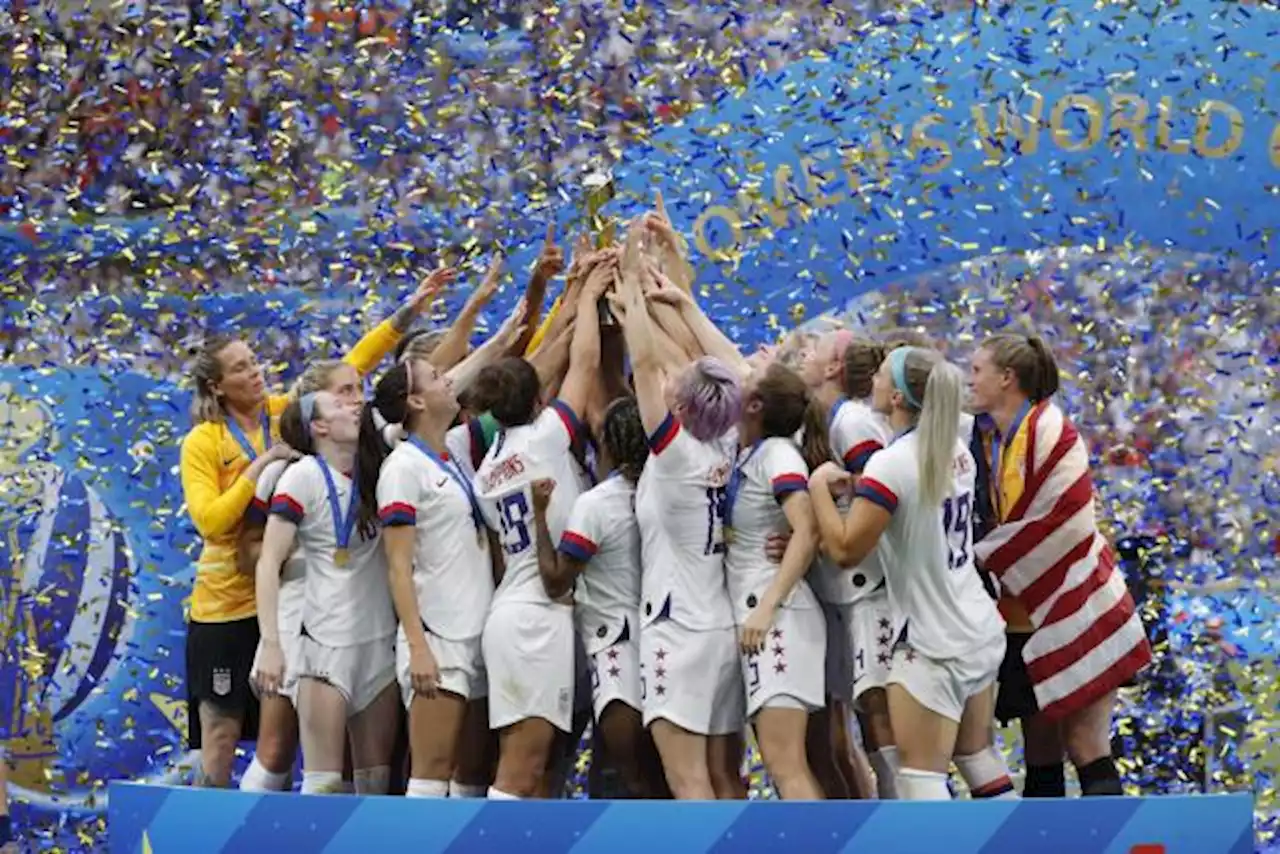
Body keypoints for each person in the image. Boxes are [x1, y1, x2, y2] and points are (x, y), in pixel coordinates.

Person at [179, 269, 450, 787]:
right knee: (221, 740)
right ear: (217, 385)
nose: (256, 373)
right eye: (241, 369)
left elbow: (352, 367)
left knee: (281, 745)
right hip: (224, 608)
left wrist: (407, 312)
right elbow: (210, 521)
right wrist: (257, 470)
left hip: (286, 601)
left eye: (255, 362)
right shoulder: (204, 442)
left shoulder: (278, 414)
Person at [809, 346, 1015, 801]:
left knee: (917, 780)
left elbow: (844, 549)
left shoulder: (892, 463)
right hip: (976, 625)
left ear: (899, 397)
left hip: (932, 640)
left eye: (881, 375)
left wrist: (819, 488)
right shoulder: (954, 448)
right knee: (978, 758)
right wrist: (864, 487)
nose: (873, 382)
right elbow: (913, 498)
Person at [968, 333, 1152, 797]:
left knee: (1086, 741)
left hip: (1075, 602)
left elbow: (1065, 518)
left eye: (976, 370)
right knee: (1040, 751)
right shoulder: (993, 439)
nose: (968, 380)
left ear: (1006, 378)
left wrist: (986, 557)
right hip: (1022, 617)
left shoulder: (1053, 429)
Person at [612, 222, 746, 800]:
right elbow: (735, 369)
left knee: (688, 779)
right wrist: (682, 293)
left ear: (681, 404)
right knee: (724, 777)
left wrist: (630, 294)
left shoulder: (673, 453)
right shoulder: (731, 441)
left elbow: (642, 365)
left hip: (676, 627)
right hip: (721, 624)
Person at [472, 284, 597, 799]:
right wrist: (589, 296)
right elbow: (585, 362)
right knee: (522, 769)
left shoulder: (483, 474)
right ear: (541, 399)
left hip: (516, 611)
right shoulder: (547, 437)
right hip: (534, 618)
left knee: (544, 771)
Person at [254, 391, 399, 795]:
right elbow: (267, 562)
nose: (353, 406)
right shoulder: (302, 477)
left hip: (377, 642)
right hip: (323, 646)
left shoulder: (377, 469)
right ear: (318, 427)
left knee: (375, 786)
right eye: (337, 405)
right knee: (324, 787)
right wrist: (271, 644)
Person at [237, 361, 367, 792]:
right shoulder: (283, 474)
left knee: (346, 758)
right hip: (296, 615)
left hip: (356, 618)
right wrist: (304, 547)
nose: (357, 400)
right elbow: (248, 555)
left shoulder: (372, 462)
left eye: (359, 389)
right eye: (345, 392)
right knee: (276, 750)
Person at [371, 355, 496, 799]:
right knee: (430, 776)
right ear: (416, 400)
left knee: (472, 778)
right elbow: (397, 566)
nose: (449, 380)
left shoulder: (453, 453)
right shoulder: (403, 467)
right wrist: (419, 647)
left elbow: (467, 375)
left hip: (477, 633)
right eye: (435, 377)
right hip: (437, 639)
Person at [534, 396, 665, 797]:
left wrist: (538, 515)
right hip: (664, 642)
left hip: (616, 646)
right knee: (663, 778)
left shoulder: (596, 505)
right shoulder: (669, 492)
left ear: (607, 443)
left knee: (632, 779)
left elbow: (557, 580)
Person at [800, 330, 897, 799]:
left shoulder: (853, 423)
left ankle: (908, 822)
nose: (806, 352)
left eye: (815, 346)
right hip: (846, 591)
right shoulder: (832, 419)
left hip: (870, 589)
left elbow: (882, 493)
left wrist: (818, 535)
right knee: (864, 715)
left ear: (835, 365)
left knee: (880, 713)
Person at [725, 362, 828, 800]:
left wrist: (766, 607)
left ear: (755, 405)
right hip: (761, 615)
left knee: (786, 764)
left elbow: (807, 532)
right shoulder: (754, 452)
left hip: (777, 620)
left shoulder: (779, 455)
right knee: (785, 763)